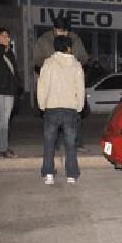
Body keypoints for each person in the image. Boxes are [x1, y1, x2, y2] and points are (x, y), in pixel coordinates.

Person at [33, 17, 89, 151]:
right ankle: (54, 146)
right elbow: (37, 59)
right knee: (52, 120)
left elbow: (84, 58)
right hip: (52, 82)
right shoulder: (44, 40)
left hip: (70, 82)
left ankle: (77, 144)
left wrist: (71, 63)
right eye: (59, 31)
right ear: (54, 29)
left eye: (65, 31)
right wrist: (53, 63)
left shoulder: (75, 39)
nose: (62, 34)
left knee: (75, 119)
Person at [37, 35, 86, 185]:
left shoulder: (48, 64)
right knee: (70, 144)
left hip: (51, 108)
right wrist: (79, 107)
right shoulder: (76, 65)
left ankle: (49, 175)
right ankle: (71, 175)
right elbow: (80, 88)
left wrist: (42, 105)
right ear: (69, 48)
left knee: (49, 143)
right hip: (70, 108)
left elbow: (41, 87)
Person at [0, 27, 22, 158]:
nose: (7, 38)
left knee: (6, 120)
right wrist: (1, 47)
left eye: (8, 36)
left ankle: (4, 148)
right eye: (3, 36)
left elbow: (13, 71)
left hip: (9, 90)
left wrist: (18, 84)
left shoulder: (9, 53)